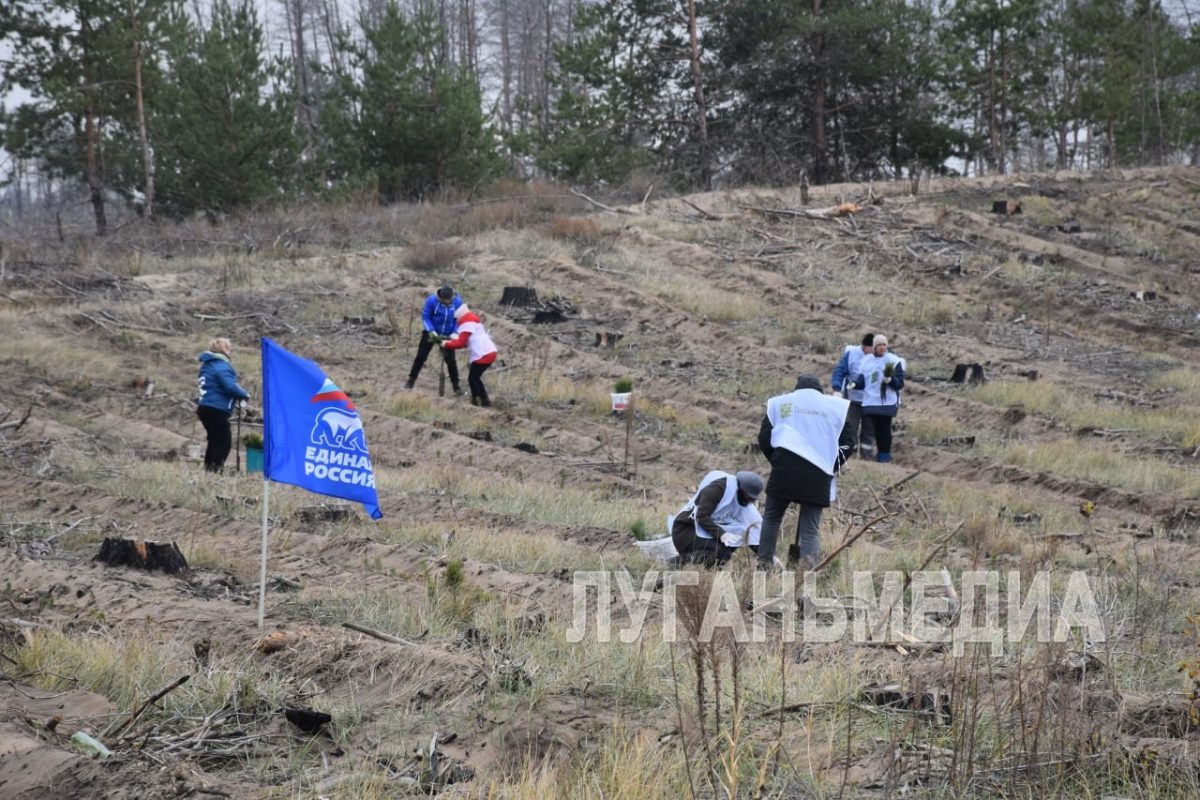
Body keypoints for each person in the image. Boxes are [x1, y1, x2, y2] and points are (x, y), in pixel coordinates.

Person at [756, 375, 855, 569]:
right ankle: (808, 574)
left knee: (772, 518)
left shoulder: (781, 403)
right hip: (819, 474)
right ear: (820, 390)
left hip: (785, 468)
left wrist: (776, 460)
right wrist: (831, 465)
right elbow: (849, 442)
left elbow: (764, 437)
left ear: (797, 389)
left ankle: (764, 563)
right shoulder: (834, 408)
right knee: (810, 531)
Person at [670, 470, 765, 567]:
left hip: (705, 531)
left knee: (732, 543)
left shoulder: (743, 501)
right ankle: (677, 562)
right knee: (720, 552)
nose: (749, 501)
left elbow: (751, 531)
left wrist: (767, 556)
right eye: (748, 497)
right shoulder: (718, 489)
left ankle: (711, 571)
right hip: (686, 529)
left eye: (752, 499)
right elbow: (701, 516)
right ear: (741, 488)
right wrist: (722, 534)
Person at [196, 337, 250, 473]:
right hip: (216, 408)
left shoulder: (207, 366)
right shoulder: (221, 365)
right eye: (228, 348)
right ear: (223, 350)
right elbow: (230, 386)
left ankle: (209, 471)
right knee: (223, 442)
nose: (230, 351)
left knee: (214, 441)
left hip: (205, 407)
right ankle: (216, 471)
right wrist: (244, 394)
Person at [853, 334, 906, 463]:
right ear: (874, 347)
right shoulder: (867, 361)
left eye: (884, 345)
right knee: (875, 429)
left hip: (887, 401)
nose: (882, 347)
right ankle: (879, 453)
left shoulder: (893, 361)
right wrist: (854, 384)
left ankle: (884, 454)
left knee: (884, 428)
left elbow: (900, 383)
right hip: (871, 401)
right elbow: (863, 380)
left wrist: (890, 380)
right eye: (879, 345)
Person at [406, 285, 463, 394]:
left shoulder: (457, 302)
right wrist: (431, 331)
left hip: (448, 334)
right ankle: (410, 381)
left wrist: (455, 332)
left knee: (451, 361)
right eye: (445, 300)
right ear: (441, 297)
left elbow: (459, 319)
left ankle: (456, 387)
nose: (447, 302)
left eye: (449, 300)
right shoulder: (432, 301)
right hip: (432, 333)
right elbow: (426, 317)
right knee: (421, 357)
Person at [440, 304, 497, 407]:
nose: (456, 321)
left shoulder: (467, 325)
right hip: (489, 351)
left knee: (472, 379)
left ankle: (476, 401)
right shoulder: (475, 322)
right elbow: (466, 342)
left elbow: (461, 344)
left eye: (456, 319)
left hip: (483, 355)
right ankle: (485, 400)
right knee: (476, 377)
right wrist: (455, 339)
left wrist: (446, 344)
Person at [831, 333, 876, 457]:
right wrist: (837, 389)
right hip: (853, 399)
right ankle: (850, 454)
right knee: (851, 427)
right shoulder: (851, 354)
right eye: (870, 349)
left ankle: (867, 455)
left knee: (869, 429)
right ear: (864, 346)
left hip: (871, 401)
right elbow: (840, 371)